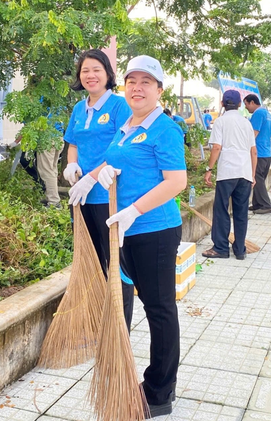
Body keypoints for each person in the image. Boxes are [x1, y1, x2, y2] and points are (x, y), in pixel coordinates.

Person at [69, 55, 186, 418]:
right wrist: (97, 175)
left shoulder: (164, 128)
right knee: (148, 303)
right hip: (126, 230)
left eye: (146, 82)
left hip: (154, 230)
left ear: (159, 90)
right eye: (132, 81)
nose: (137, 88)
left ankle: (159, 391)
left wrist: (135, 210)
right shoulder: (129, 127)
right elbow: (117, 161)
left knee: (159, 309)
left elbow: (176, 181)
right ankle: (155, 382)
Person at [61, 49, 134, 314]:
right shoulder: (79, 109)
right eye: (85, 71)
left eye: (96, 70)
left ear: (107, 74)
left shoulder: (119, 105)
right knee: (89, 262)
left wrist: (92, 178)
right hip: (82, 198)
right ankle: (96, 320)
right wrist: (72, 164)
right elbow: (73, 143)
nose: (90, 75)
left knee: (115, 264)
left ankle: (119, 327)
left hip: (109, 197)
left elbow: (121, 149)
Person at [203, 90, 257, 260]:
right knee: (241, 212)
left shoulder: (220, 122)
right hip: (244, 173)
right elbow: (253, 151)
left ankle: (220, 248)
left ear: (222, 104)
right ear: (240, 104)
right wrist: (253, 175)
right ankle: (240, 250)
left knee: (221, 210)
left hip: (227, 172)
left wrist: (209, 169)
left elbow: (217, 147)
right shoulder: (246, 123)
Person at [243, 94, 271, 214]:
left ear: (252, 102)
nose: (246, 107)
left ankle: (266, 205)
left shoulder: (258, 114)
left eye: (246, 104)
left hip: (259, 152)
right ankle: (257, 204)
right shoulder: (267, 113)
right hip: (266, 152)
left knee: (257, 178)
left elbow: (253, 134)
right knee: (259, 179)